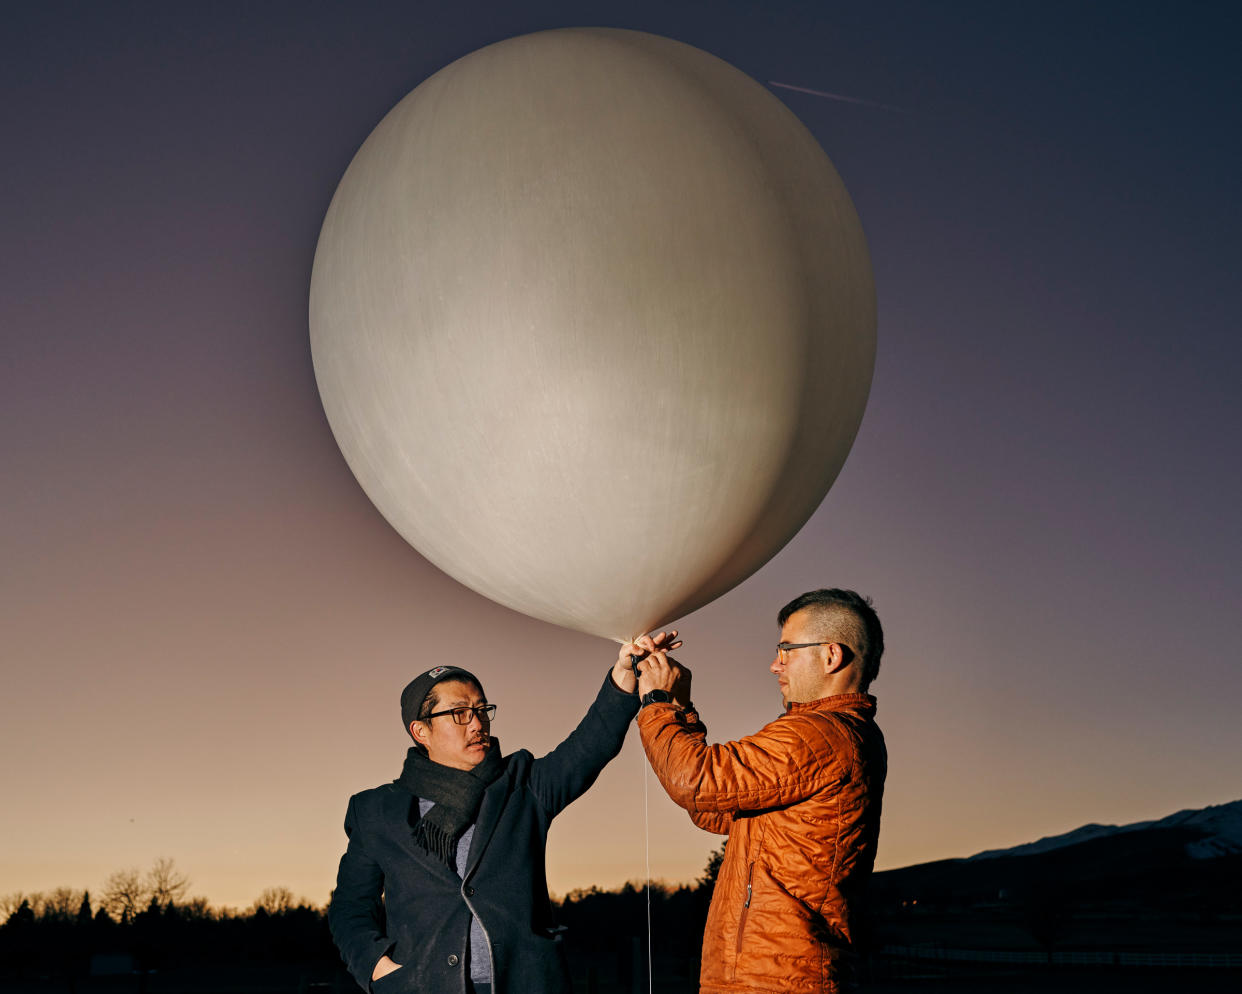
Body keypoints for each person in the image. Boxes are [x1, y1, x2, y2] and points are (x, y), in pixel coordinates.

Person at [327, 631, 678, 994]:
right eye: (459, 714)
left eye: (481, 710)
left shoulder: (522, 784)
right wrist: (377, 968)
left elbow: (590, 745)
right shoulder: (375, 811)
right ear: (421, 731)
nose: (477, 724)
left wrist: (625, 674)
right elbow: (350, 908)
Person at [632, 589, 886, 994]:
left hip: (779, 978)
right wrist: (680, 706)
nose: (774, 665)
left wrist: (658, 701)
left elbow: (695, 782)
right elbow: (714, 808)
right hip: (760, 973)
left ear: (831, 656)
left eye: (786, 651)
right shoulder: (829, 736)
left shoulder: (821, 735)